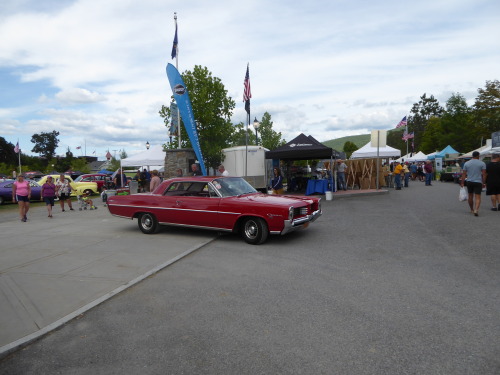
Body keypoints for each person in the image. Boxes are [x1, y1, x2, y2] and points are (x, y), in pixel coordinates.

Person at [460, 151, 486, 216]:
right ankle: (476, 210)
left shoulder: (467, 163)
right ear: (477, 156)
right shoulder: (482, 163)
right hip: (478, 181)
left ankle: (471, 209)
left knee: (470, 196)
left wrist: (462, 182)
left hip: (469, 181)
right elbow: (484, 174)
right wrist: (483, 182)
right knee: (478, 197)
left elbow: (464, 174)